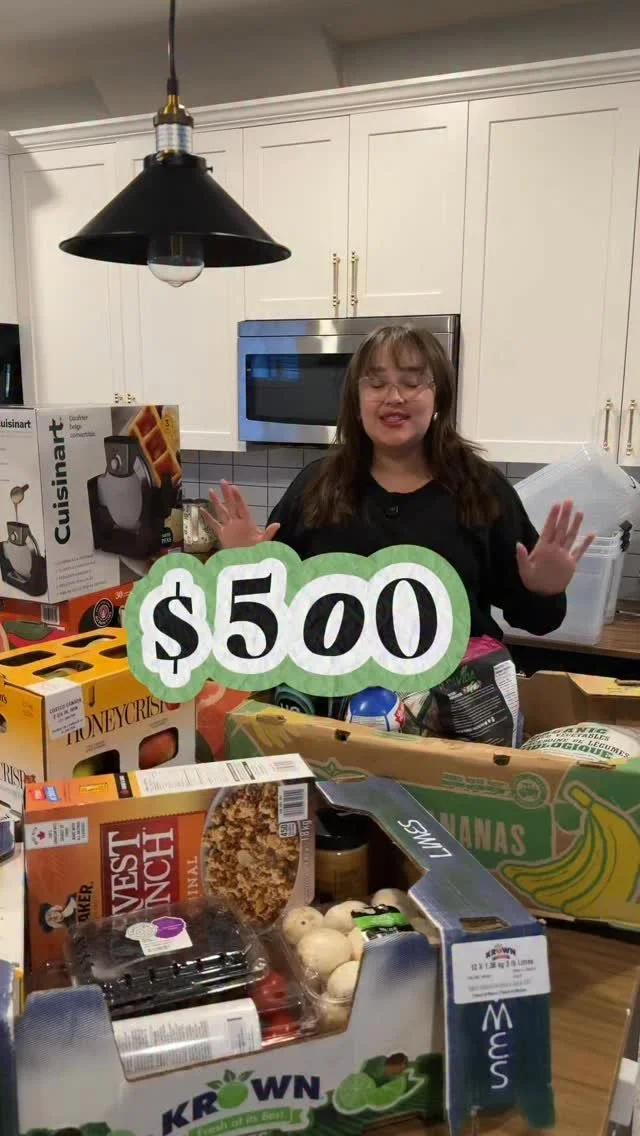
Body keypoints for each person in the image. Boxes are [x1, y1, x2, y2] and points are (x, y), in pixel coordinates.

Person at [203, 324, 593, 639]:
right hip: (334, 703)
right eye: (376, 384)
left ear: (439, 397)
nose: (394, 397)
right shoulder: (317, 487)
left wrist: (544, 590)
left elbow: (537, 621)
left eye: (411, 382)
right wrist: (245, 567)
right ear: (356, 401)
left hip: (456, 702)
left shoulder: (482, 489)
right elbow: (267, 616)